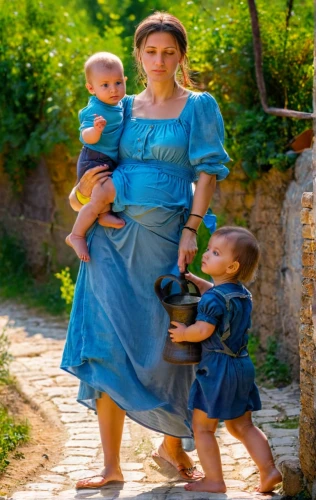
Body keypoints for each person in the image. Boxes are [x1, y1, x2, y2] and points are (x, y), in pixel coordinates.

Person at [61, 12, 230, 490]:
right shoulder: (119, 105)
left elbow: (208, 172)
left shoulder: (198, 106)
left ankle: (172, 444)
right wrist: (79, 196)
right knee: (107, 345)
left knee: (172, 344)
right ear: (138, 55)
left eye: (169, 52)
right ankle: (111, 466)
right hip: (110, 247)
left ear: (181, 55)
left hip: (164, 243)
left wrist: (192, 229)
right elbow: (92, 172)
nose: (159, 60)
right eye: (151, 51)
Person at [169, 226, 282, 493]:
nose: (207, 254)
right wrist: (199, 281)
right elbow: (217, 294)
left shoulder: (211, 301)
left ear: (231, 266)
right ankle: (269, 470)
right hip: (242, 364)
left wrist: (185, 332)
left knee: (203, 428)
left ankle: (214, 480)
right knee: (243, 425)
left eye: (215, 252)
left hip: (217, 368)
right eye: (209, 248)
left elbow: (204, 329)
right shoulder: (242, 294)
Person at [66, 52, 126, 262]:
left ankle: (103, 215)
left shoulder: (120, 103)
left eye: (118, 82)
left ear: (125, 80)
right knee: (98, 196)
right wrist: (96, 130)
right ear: (91, 89)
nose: (113, 89)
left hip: (106, 158)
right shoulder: (94, 109)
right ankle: (77, 234)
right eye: (105, 85)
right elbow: (86, 136)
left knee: (103, 196)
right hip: (94, 158)